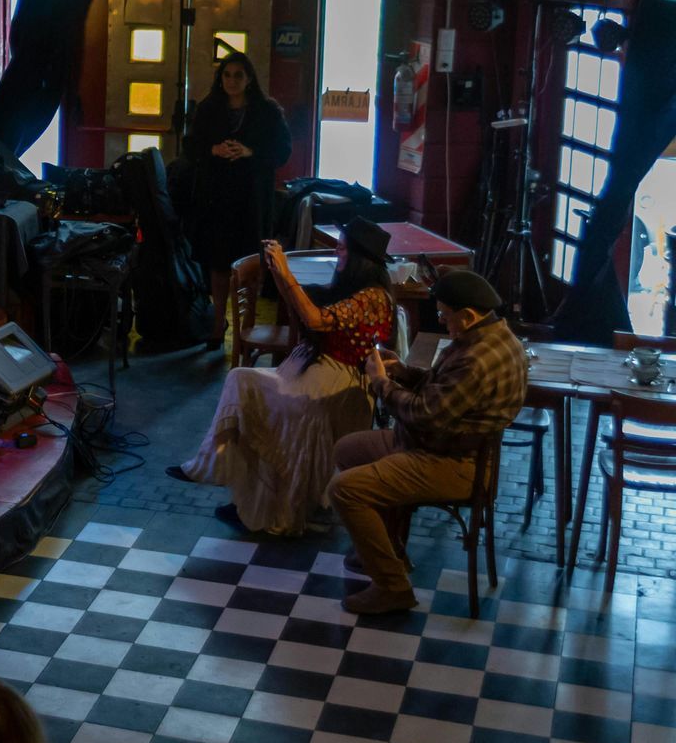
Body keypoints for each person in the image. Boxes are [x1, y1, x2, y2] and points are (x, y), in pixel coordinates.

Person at [171, 217, 396, 535]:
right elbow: (305, 308)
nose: (336, 252)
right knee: (242, 381)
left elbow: (316, 321)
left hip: (338, 381)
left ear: (360, 257)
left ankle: (253, 497)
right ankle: (222, 476)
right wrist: (279, 272)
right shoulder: (354, 286)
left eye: (342, 248)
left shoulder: (372, 297)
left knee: (254, 391)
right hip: (320, 368)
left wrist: (284, 271)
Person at [328, 269, 528, 615]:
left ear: (467, 315)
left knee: (346, 490)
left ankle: (392, 586)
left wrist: (380, 384)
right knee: (348, 449)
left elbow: (423, 414)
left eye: (444, 316)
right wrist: (404, 372)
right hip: (437, 444)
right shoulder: (489, 336)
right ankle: (390, 548)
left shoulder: (477, 358)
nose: (442, 321)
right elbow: (447, 394)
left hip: (455, 463)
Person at [183, 51, 293, 350]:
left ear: (249, 79)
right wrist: (213, 150)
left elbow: (283, 151)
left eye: (238, 75)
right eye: (227, 75)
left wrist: (250, 152)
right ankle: (219, 322)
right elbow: (190, 147)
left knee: (251, 262)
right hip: (216, 196)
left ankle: (249, 324)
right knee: (218, 264)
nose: (232, 81)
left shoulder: (267, 111)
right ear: (220, 78)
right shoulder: (208, 108)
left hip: (252, 198)